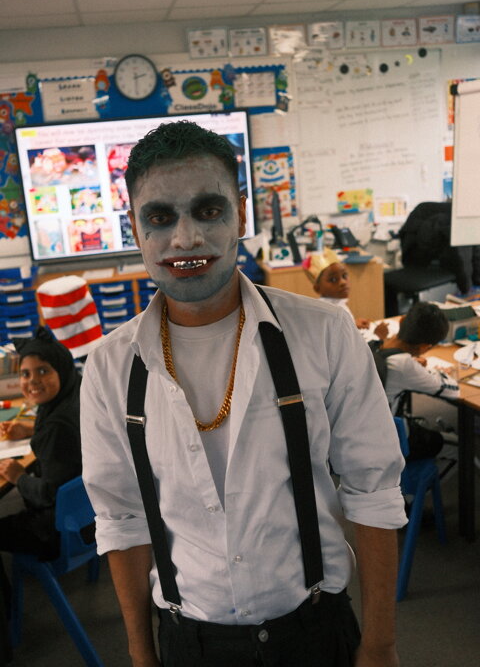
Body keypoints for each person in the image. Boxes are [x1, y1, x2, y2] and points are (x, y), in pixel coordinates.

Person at [81, 120, 407, 667]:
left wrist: (380, 644)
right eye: (160, 218)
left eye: (208, 210)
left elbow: (373, 490)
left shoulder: (324, 333)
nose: (185, 239)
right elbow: (121, 519)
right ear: (135, 229)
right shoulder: (111, 367)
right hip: (190, 643)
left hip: (315, 631)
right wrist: (141, 653)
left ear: (240, 213)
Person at [0, 327, 82, 559]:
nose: (33, 381)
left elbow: (49, 493)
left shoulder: (57, 427)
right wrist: (29, 429)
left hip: (59, 529)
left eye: (43, 371)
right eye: (25, 374)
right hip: (87, 512)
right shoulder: (74, 394)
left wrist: (18, 476)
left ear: (61, 370)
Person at [374, 301, 459, 459]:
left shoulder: (375, 345)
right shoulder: (403, 364)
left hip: (367, 428)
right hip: (391, 442)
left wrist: (413, 365)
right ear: (425, 347)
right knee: (460, 447)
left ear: (401, 321)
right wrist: (434, 371)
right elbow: (453, 391)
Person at [303, 249, 388, 340]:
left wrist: (353, 324)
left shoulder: (337, 304)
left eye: (344, 276)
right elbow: (348, 346)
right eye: (333, 279)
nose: (343, 282)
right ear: (317, 288)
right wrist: (378, 337)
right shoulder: (328, 313)